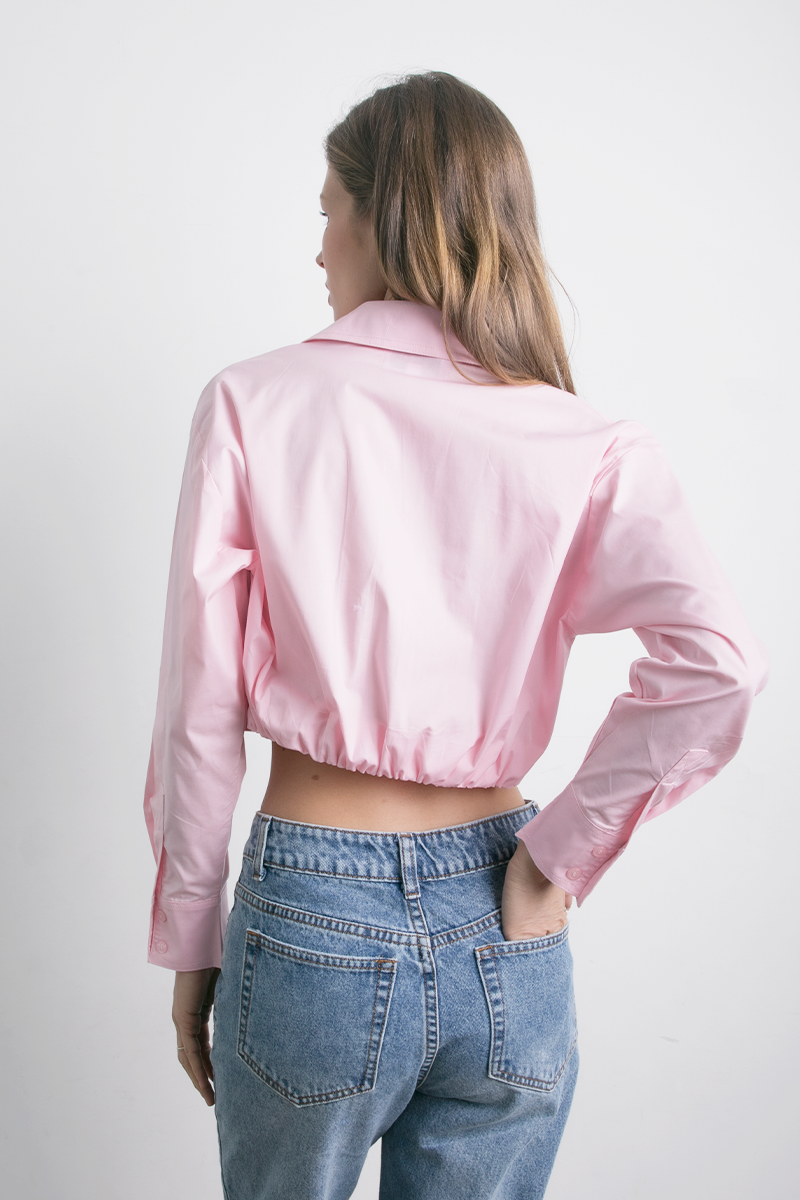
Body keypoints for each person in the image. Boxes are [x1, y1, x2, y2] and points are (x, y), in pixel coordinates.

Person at [143, 71, 767, 1200]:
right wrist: (557, 857)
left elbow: (200, 705)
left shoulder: (252, 403)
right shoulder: (586, 439)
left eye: (327, 211)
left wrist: (192, 933)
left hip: (314, 913)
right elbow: (718, 663)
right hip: (507, 923)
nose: (317, 249)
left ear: (383, 217)